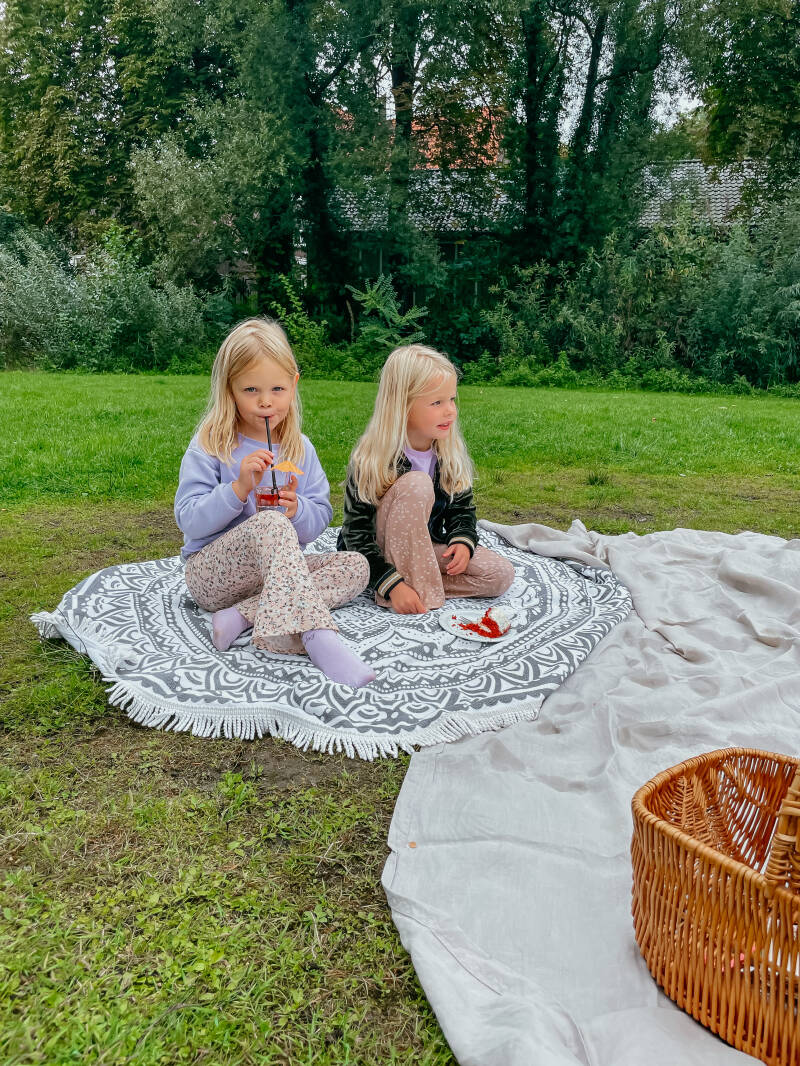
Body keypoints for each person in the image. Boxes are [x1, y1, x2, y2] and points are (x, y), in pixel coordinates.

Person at [175, 318, 375, 688]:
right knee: (271, 524)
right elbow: (188, 520)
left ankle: (241, 617)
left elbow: (321, 518)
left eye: (277, 389)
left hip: (272, 581)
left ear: (294, 384)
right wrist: (237, 489)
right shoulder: (212, 443)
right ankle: (316, 635)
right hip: (211, 577)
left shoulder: (300, 447)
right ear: (229, 389)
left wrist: (297, 510)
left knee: (355, 567)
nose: (266, 401)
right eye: (251, 389)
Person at [338, 344, 515, 614]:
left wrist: (462, 541)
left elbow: (462, 511)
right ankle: (394, 589)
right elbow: (356, 534)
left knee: (499, 574)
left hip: (423, 550)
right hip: (377, 555)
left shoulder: (447, 454)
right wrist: (390, 582)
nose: (450, 411)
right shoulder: (372, 459)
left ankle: (415, 586)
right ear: (403, 405)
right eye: (437, 402)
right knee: (417, 483)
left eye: (452, 399)